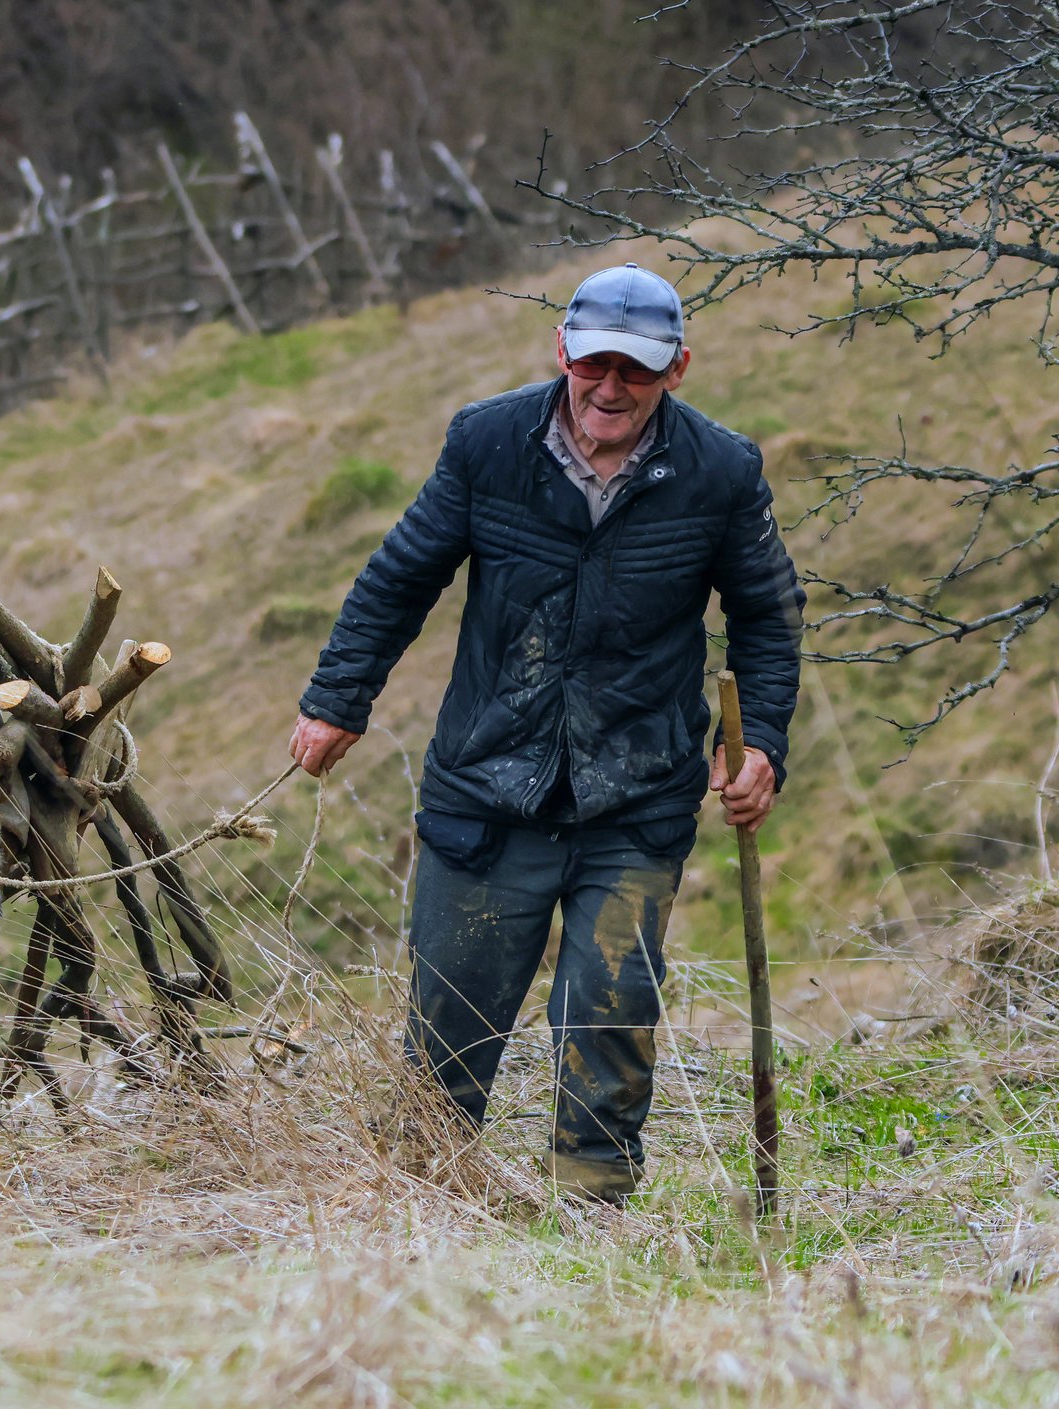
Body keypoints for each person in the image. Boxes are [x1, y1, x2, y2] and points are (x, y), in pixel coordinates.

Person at [289, 263, 804, 1204]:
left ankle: (590, 1215)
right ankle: (418, 1202)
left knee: (610, 1015)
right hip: (488, 787)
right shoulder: (488, 442)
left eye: (635, 371)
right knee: (450, 1022)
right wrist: (337, 699)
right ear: (559, 350)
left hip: (636, 792)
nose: (609, 389)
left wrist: (761, 740)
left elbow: (767, 616)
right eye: (593, 364)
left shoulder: (721, 470)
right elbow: (402, 575)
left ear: (676, 369)